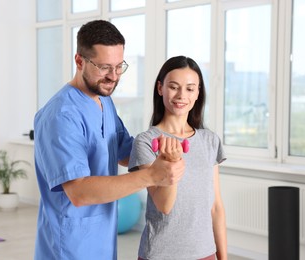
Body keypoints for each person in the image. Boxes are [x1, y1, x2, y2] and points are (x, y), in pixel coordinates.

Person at [33, 20, 185, 260]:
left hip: (102, 241)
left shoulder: (103, 100)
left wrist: (165, 148)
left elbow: (125, 151)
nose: (113, 77)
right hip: (70, 247)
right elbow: (79, 191)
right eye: (104, 67)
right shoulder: (60, 116)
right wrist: (151, 176)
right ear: (79, 61)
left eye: (119, 66)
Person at [129, 56, 228, 260]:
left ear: (198, 93)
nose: (181, 95)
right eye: (174, 87)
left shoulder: (210, 140)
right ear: (160, 88)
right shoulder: (146, 142)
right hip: (160, 254)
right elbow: (164, 206)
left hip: (205, 252)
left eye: (190, 89)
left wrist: (223, 257)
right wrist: (171, 161)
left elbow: (216, 207)